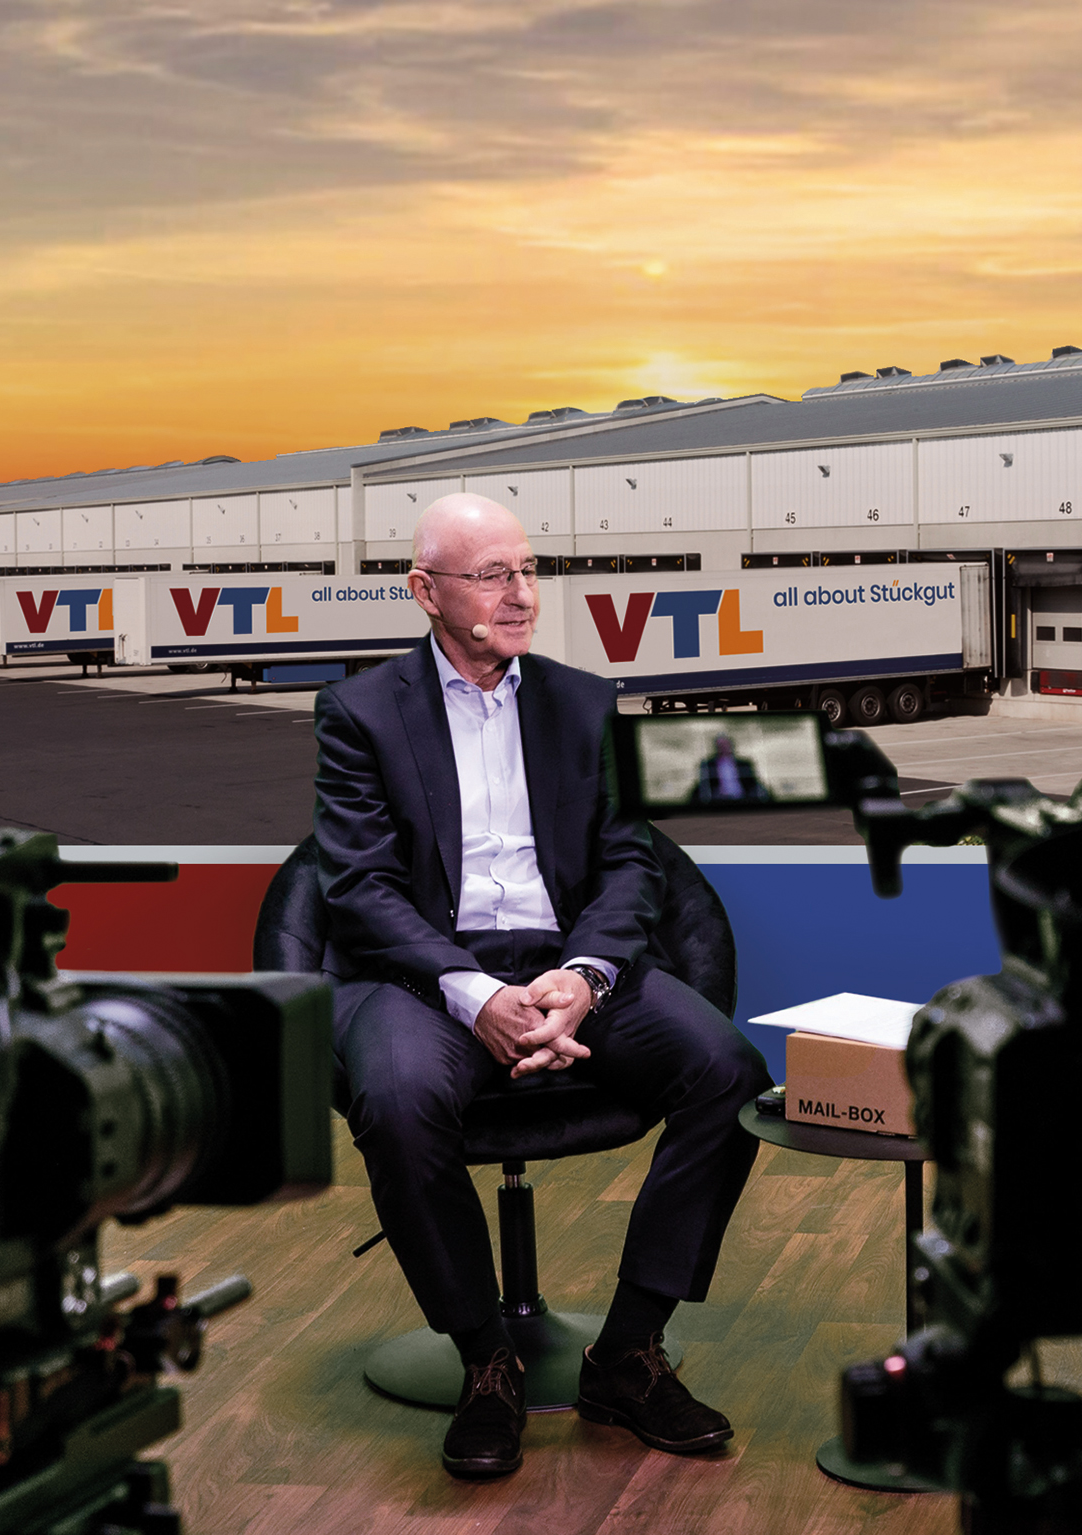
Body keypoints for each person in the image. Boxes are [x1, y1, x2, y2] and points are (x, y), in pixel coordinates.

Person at [311, 493, 773, 1480]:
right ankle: (487, 1362)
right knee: (396, 1096)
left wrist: (585, 975)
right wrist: (475, 993)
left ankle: (628, 1352)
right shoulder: (360, 711)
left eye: (528, 569)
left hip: (567, 958)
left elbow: (631, 860)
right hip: (423, 974)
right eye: (492, 575)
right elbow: (357, 887)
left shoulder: (584, 700)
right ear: (425, 591)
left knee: (729, 1072)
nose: (521, 593)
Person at [690, 733, 771, 804]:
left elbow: (752, 783)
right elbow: (704, 784)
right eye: (721, 746)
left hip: (743, 797)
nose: (724, 748)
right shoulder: (708, 765)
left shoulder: (744, 764)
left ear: (731, 746)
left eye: (726, 745)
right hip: (718, 799)